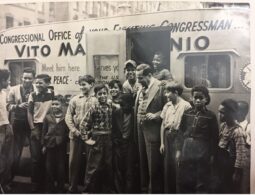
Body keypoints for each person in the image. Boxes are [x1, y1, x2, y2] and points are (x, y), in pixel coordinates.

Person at [176, 85, 219, 193]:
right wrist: (178, 150)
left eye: (201, 98)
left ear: (206, 99)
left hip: (202, 151)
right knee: (186, 179)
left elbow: (214, 137)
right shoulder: (187, 113)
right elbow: (181, 132)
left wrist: (213, 155)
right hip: (187, 150)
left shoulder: (211, 116)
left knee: (201, 181)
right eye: (195, 98)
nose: (198, 100)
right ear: (192, 99)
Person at [135, 64, 165, 193]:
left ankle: (154, 191)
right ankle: (145, 189)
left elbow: (168, 106)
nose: (138, 81)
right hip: (140, 129)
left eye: (141, 77)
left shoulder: (161, 87)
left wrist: (156, 115)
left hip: (153, 131)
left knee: (153, 165)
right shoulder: (141, 86)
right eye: (137, 78)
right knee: (143, 163)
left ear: (149, 75)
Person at [65, 75, 97, 193]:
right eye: (80, 85)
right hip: (76, 135)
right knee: (73, 162)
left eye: (84, 84)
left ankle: (88, 188)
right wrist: (74, 130)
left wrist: (91, 132)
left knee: (90, 162)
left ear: (92, 84)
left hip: (90, 135)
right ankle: (72, 187)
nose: (82, 87)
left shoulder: (96, 99)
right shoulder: (75, 99)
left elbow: (99, 118)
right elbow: (68, 116)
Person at [79, 84, 114, 193]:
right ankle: (88, 190)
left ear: (107, 94)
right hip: (97, 138)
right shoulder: (93, 107)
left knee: (108, 164)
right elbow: (83, 124)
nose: (102, 96)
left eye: (104, 93)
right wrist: (86, 139)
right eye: (100, 94)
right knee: (93, 166)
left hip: (108, 138)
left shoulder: (110, 106)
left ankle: (105, 190)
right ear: (96, 95)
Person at [159, 81, 191, 193]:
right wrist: (162, 143)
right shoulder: (167, 106)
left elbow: (187, 129)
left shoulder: (186, 106)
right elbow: (163, 125)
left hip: (179, 138)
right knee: (168, 169)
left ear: (176, 92)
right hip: (168, 137)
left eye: (167, 92)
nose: (165, 95)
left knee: (178, 168)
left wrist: (180, 147)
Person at [7, 68, 35, 178]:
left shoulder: (36, 89)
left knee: (35, 152)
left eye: (29, 78)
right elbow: (7, 106)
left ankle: (35, 180)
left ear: (33, 79)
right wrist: (18, 106)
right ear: (21, 78)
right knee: (16, 152)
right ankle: (11, 178)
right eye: (25, 78)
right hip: (18, 124)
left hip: (32, 124)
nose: (27, 80)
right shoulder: (14, 90)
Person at [27, 74, 53, 192]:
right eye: (36, 82)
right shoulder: (32, 95)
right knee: (36, 158)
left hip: (48, 127)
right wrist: (33, 129)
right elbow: (29, 113)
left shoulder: (52, 95)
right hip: (36, 126)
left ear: (47, 84)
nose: (38, 85)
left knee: (47, 157)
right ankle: (35, 183)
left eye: (40, 83)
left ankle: (46, 184)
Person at [217, 99, 247, 193]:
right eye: (219, 112)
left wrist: (236, 173)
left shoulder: (237, 132)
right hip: (222, 165)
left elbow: (240, 155)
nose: (219, 115)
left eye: (222, 112)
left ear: (231, 113)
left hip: (231, 167)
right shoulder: (223, 126)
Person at [41, 95, 69, 193]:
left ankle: (60, 188)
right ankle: (50, 188)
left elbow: (67, 132)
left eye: (57, 104)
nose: (54, 106)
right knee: (49, 167)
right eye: (53, 104)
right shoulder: (48, 117)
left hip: (61, 145)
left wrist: (65, 142)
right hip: (49, 145)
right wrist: (44, 145)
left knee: (61, 168)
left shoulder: (66, 117)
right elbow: (43, 132)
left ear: (62, 105)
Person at [112, 93, 139, 193]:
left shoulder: (135, 114)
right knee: (118, 170)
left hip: (130, 145)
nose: (122, 107)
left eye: (124, 105)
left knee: (129, 170)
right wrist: (115, 139)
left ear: (130, 104)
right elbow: (113, 128)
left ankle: (128, 191)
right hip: (118, 145)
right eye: (121, 105)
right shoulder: (116, 113)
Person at [0, 69, 14, 193]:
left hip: (6, 127)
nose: (9, 82)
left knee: (5, 158)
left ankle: (3, 183)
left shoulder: (4, 94)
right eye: (7, 79)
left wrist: (8, 126)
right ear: (2, 80)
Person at [237, 101, 250, 193]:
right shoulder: (232, 124)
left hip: (245, 162)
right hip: (234, 161)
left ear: (244, 112)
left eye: (237, 110)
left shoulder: (249, 127)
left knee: (243, 186)